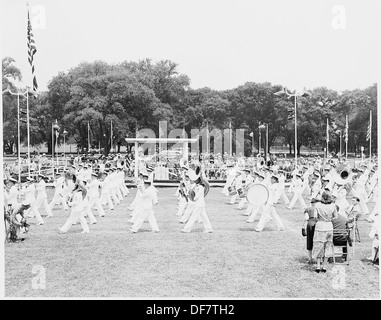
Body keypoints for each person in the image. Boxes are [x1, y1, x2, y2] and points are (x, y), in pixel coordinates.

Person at [181, 165, 213, 233]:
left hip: (199, 203)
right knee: (204, 217)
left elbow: (198, 195)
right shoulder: (197, 186)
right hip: (201, 204)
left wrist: (194, 198)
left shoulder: (200, 187)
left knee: (193, 216)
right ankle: (209, 228)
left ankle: (187, 229)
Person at [312, 191, 338, 273]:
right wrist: (329, 219)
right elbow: (336, 217)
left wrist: (321, 219)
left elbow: (315, 217)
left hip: (320, 226)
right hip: (328, 226)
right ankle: (325, 266)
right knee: (328, 245)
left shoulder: (317, 205)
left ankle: (318, 265)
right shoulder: (333, 206)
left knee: (319, 245)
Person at [304, 198, 318, 263]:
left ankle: (310, 258)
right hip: (317, 223)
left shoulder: (307, 209)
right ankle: (318, 258)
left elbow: (306, 218)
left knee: (309, 240)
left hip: (310, 223)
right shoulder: (318, 209)